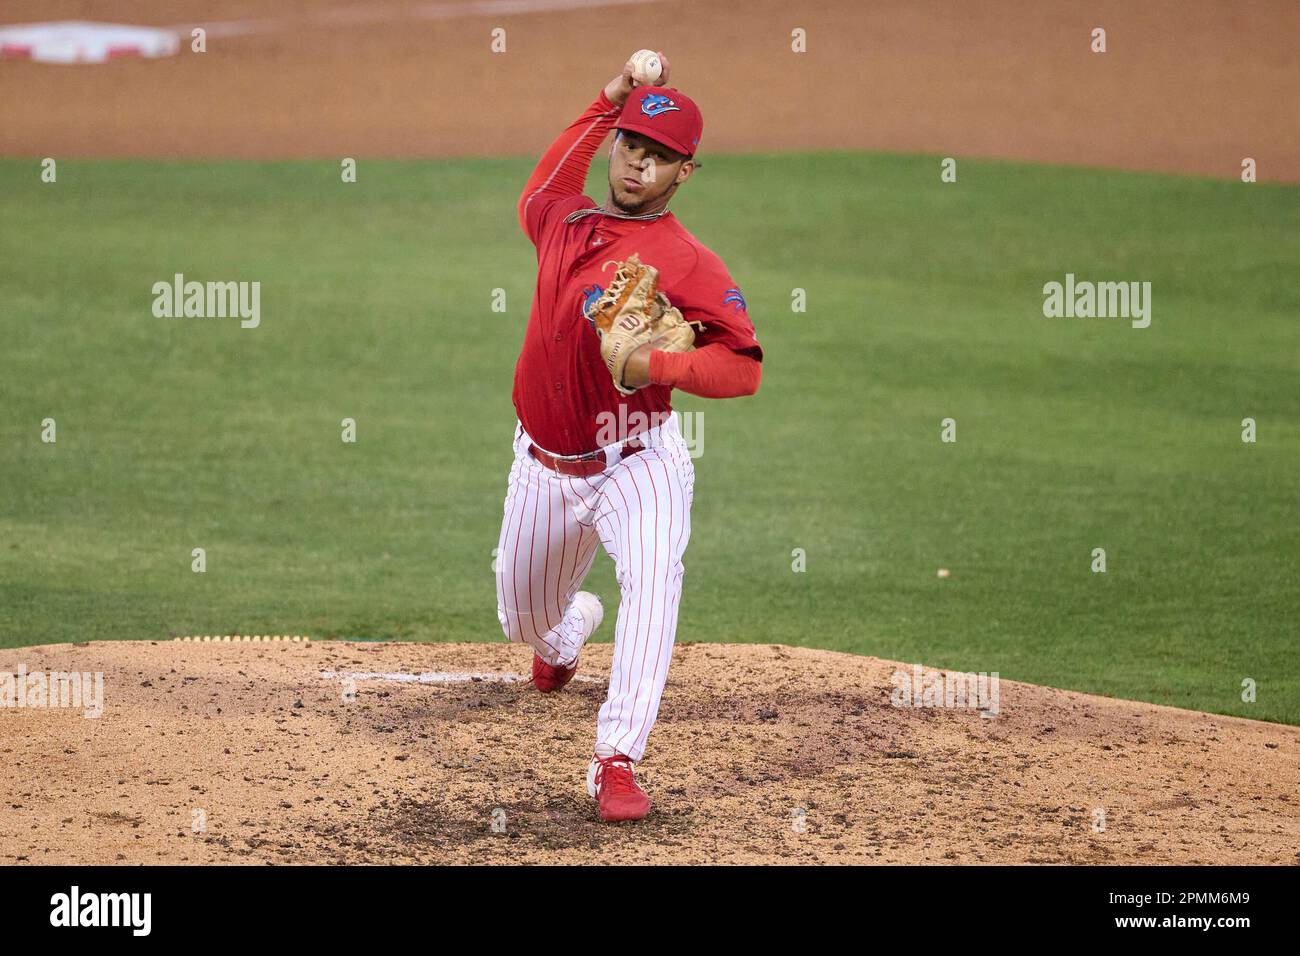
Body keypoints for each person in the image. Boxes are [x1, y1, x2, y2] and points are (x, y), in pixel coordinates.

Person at [496, 52, 763, 822]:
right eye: (631, 146)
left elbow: (741, 366)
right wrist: (609, 95)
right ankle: (565, 637)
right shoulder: (560, 220)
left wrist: (655, 362)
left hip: (637, 458)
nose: (640, 165)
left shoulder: (688, 262)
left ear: (685, 173)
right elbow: (546, 180)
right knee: (523, 618)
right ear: (615, 145)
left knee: (653, 583)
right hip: (544, 464)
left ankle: (616, 759)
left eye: (661, 158)